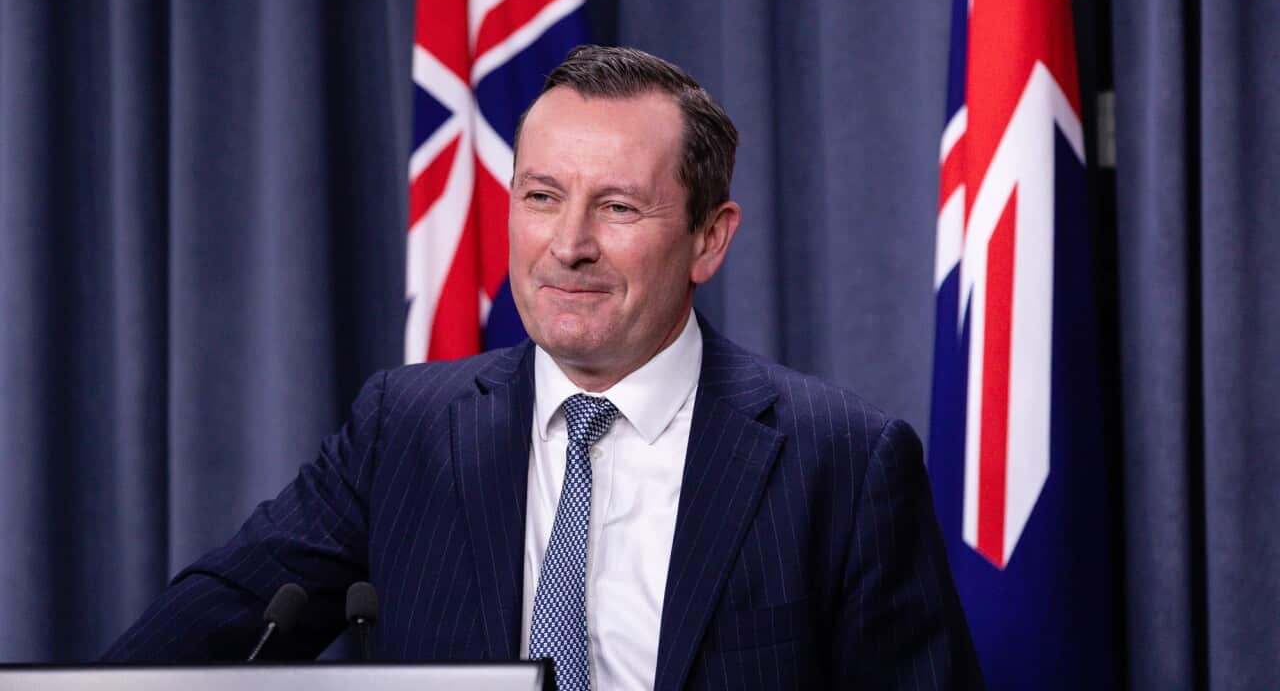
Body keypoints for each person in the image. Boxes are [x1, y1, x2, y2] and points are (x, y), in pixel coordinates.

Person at [105, 45, 982, 690]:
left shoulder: (840, 460)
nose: (568, 246)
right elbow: (222, 620)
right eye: (541, 197)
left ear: (709, 239)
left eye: (618, 207)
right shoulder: (405, 428)